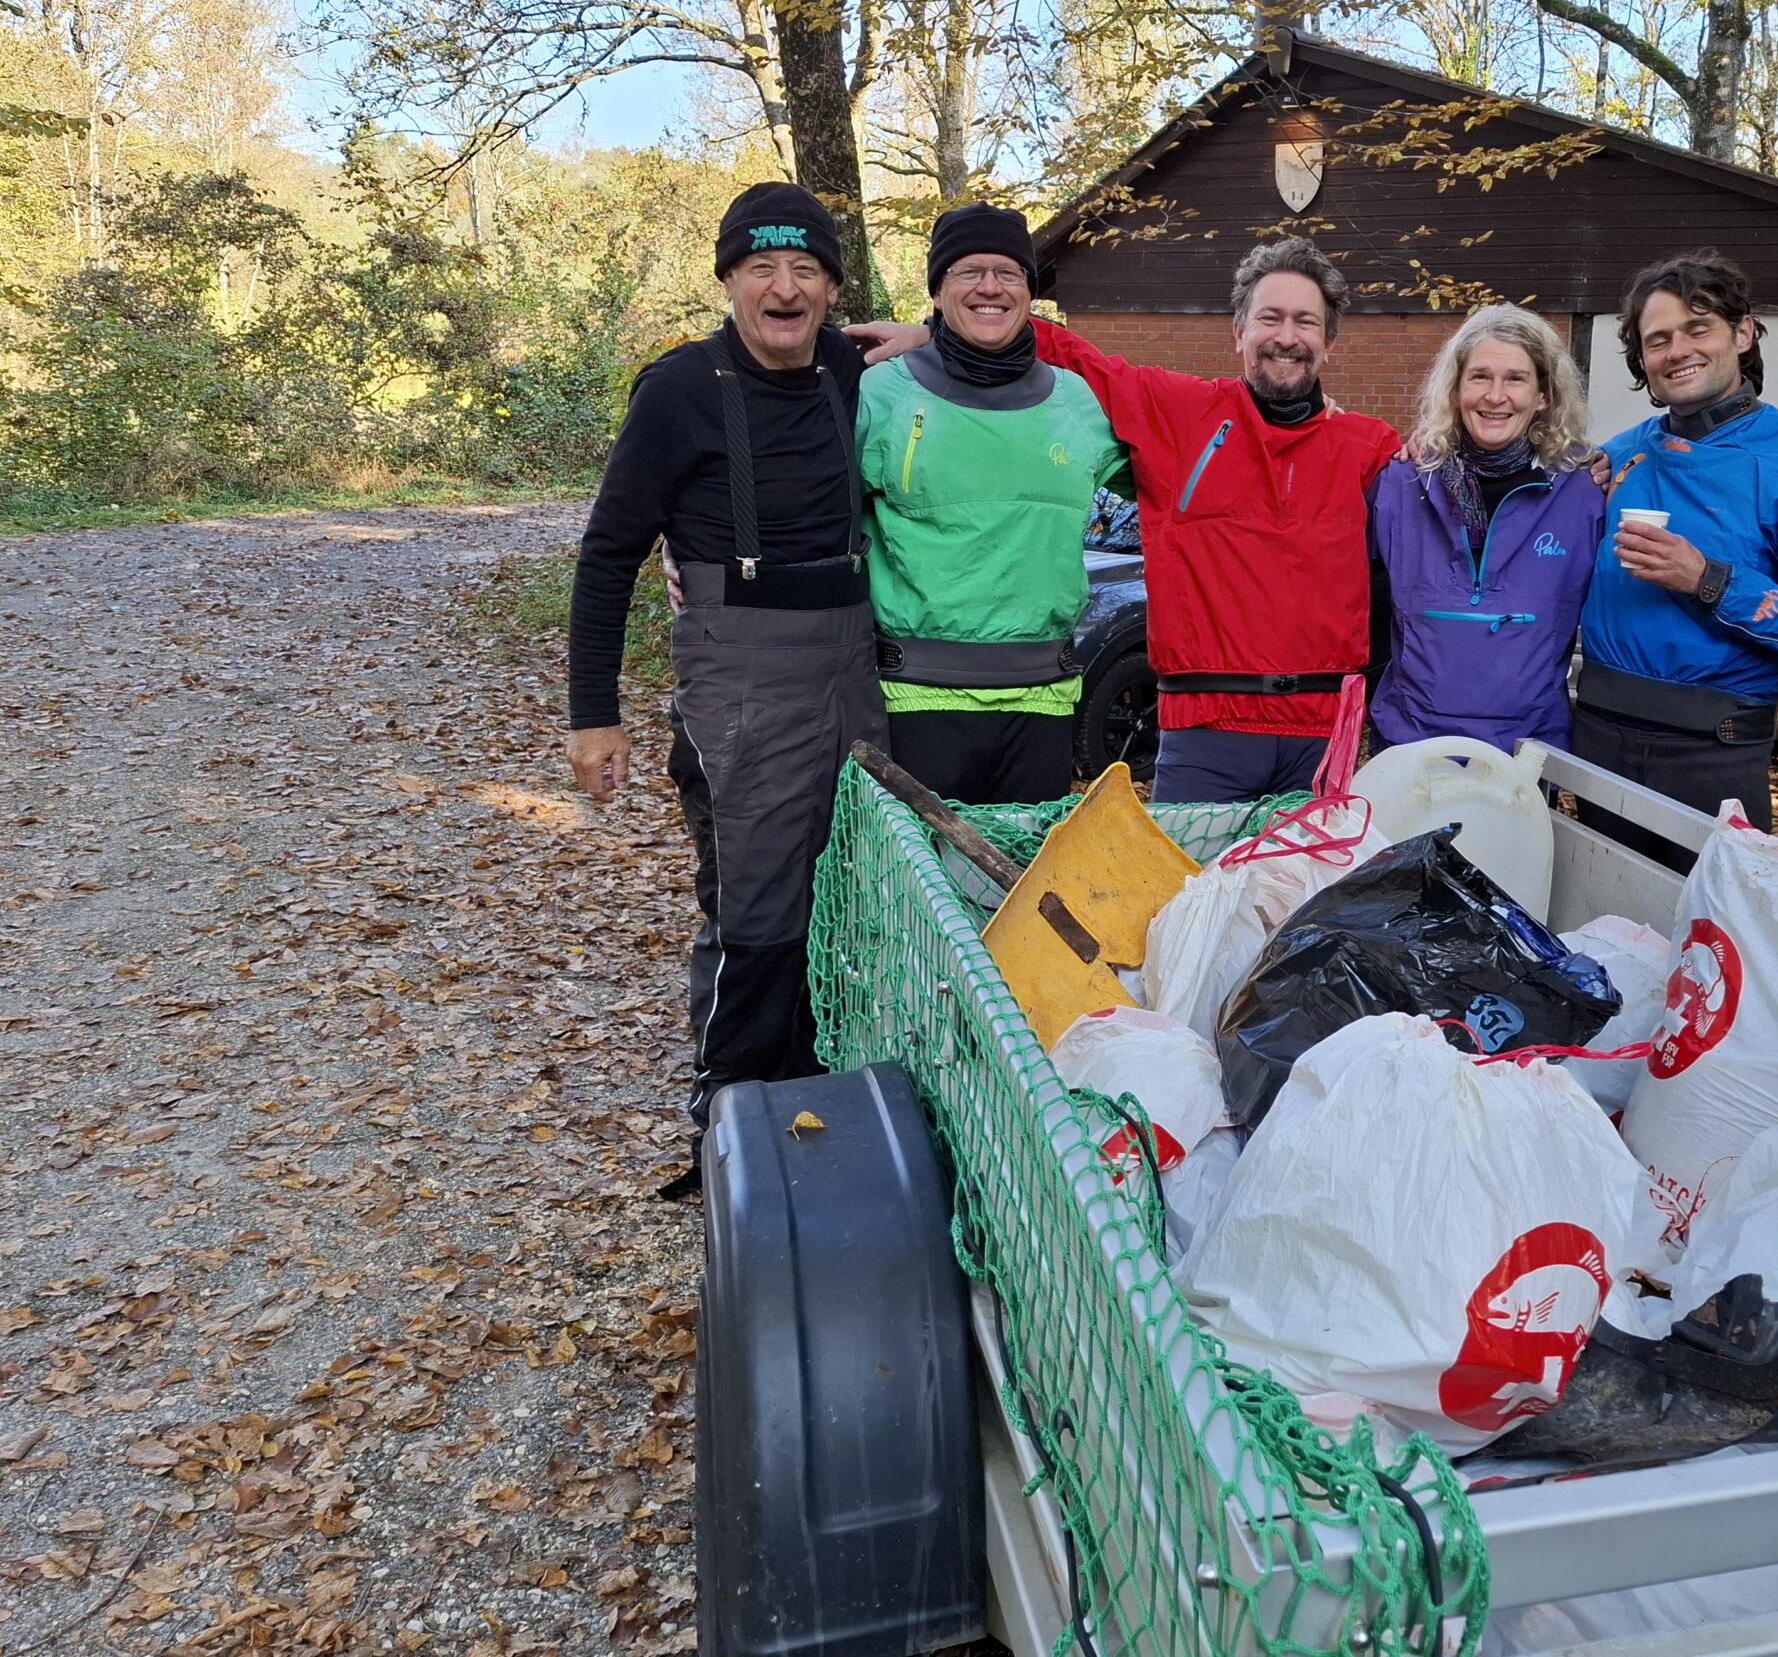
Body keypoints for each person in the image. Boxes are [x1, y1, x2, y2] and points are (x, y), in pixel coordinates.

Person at [566, 183, 885, 1196]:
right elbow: (611, 551)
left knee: (850, 889)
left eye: (806, 271)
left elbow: (976, 340)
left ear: (833, 289)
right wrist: (593, 714)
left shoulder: (849, 363)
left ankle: (822, 1094)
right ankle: (732, 1121)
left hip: (850, 662)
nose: (784, 288)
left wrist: (924, 328)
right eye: (762, 268)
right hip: (737, 673)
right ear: (731, 281)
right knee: (755, 905)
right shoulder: (679, 390)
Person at [854, 237, 1400, 805]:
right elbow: (1076, 357)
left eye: (1305, 321)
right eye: (1270, 317)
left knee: (1309, 894)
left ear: (1330, 341)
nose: (1286, 336)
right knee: (1192, 894)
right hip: (1205, 731)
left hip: (1322, 734)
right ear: (1239, 331)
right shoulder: (1180, 413)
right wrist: (936, 335)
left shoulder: (1372, 448)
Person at [1575, 251, 1778, 861]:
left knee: (1705, 944)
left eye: (1698, 327)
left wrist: (1708, 579)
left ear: (1742, 335)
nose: (1676, 350)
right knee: (1598, 935)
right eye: (1656, 339)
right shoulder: (1617, 458)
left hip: (1712, 753)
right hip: (1595, 738)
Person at [858, 203, 1128, 804]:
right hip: (916, 696)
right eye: (967, 271)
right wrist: (698, 546)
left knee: (1020, 891)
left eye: (1008, 273)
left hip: (1044, 698)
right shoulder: (882, 393)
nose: (989, 287)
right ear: (936, 290)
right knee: (924, 894)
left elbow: (1183, 482)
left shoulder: (1079, 402)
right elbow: (807, 510)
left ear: (1030, 292)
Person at [1368, 304, 1604, 750]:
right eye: (1479, 377)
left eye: (1515, 378)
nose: (1496, 396)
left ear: (1544, 395)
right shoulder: (1400, 484)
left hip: (1525, 754)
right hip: (1409, 746)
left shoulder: (1585, 495)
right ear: (1455, 389)